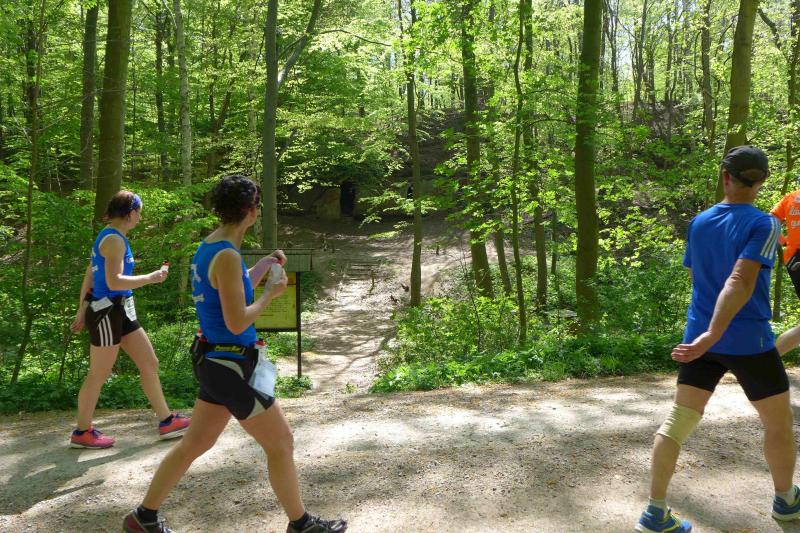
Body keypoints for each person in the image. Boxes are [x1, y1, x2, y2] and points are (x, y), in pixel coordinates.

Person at [122, 175, 347, 533]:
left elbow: (231, 286)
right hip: (232, 365)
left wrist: (262, 267)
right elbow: (237, 319)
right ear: (251, 211)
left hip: (215, 361)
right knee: (281, 443)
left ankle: (142, 518)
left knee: (194, 443)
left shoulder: (212, 245)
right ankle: (301, 525)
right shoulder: (226, 254)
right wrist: (270, 295)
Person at [636, 146, 800, 533]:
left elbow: (699, 280)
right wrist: (715, 332)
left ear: (725, 176)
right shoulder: (764, 224)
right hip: (748, 341)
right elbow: (740, 281)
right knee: (779, 424)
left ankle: (655, 512)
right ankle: (786, 502)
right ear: (761, 181)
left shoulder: (700, 222)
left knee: (678, 422)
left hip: (699, 340)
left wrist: (706, 334)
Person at [70, 191, 190, 449]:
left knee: (149, 362)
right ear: (130, 213)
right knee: (98, 373)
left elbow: (90, 273)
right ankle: (82, 432)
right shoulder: (114, 240)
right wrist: (151, 278)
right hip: (106, 312)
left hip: (121, 310)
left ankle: (167, 421)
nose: (141, 218)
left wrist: (81, 308)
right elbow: (113, 281)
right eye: (139, 213)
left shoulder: (113, 236)